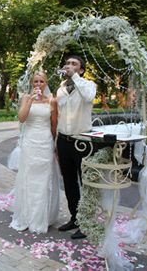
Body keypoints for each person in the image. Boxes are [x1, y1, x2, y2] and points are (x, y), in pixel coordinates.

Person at [9, 71, 60, 233]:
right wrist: (30, 101)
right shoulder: (26, 98)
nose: (38, 84)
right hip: (30, 142)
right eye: (36, 82)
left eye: (41, 82)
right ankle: (27, 216)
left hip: (45, 142)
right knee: (28, 177)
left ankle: (42, 217)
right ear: (32, 83)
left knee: (44, 180)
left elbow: (54, 125)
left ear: (46, 83)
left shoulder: (52, 101)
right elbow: (22, 118)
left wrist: (55, 146)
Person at [56, 55, 97, 240]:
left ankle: (87, 222)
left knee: (85, 183)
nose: (69, 66)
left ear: (81, 70)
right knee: (69, 183)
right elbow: (60, 115)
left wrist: (75, 78)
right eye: (67, 63)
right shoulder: (61, 89)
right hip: (63, 141)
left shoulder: (88, 85)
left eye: (74, 64)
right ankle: (75, 218)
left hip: (82, 142)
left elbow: (88, 97)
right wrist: (56, 143)